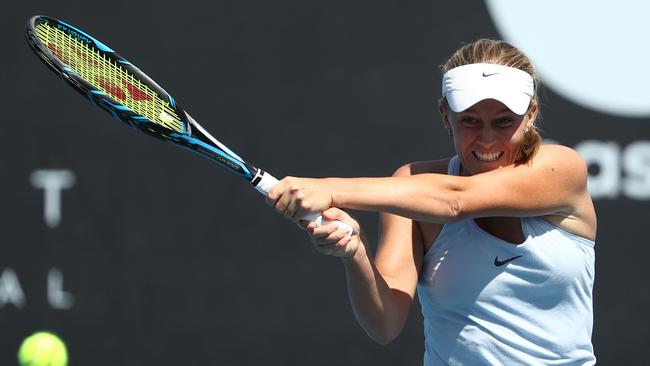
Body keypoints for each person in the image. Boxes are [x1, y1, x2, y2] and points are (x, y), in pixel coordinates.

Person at [266, 39, 597, 365]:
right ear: (445, 115)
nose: (486, 139)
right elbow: (384, 323)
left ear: (531, 115)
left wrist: (329, 188)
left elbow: (456, 202)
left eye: (503, 121)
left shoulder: (562, 169)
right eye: (469, 120)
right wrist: (355, 250)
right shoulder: (410, 186)